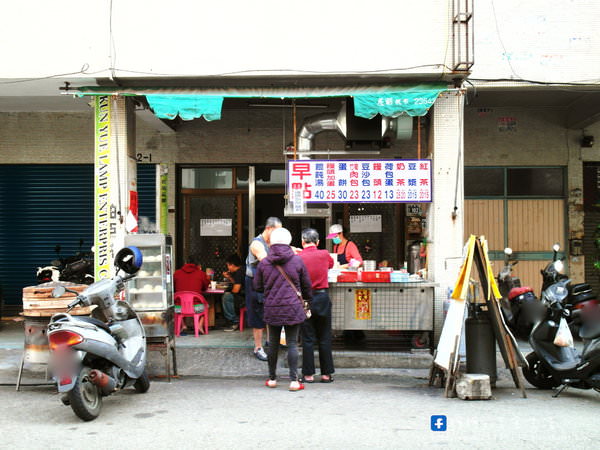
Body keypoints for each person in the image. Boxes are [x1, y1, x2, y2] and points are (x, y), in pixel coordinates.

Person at [254, 227, 312, 391]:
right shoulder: (297, 260)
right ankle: (294, 381)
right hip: (293, 306)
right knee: (292, 343)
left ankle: (272, 379)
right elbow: (307, 286)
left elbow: (257, 286)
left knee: (273, 343)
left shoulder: (264, 262)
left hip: (272, 307)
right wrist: (308, 299)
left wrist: (269, 290)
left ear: (271, 242)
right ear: (289, 242)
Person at [298, 228, 335, 383]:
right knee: (324, 336)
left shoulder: (298, 257)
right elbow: (331, 265)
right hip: (322, 297)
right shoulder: (325, 254)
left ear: (302, 241)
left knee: (307, 338)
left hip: (306, 300)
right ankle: (326, 374)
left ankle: (308, 375)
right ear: (318, 242)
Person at [245, 216, 282, 361]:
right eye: (277, 231)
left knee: (269, 311)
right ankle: (258, 347)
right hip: (254, 283)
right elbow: (266, 261)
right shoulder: (257, 244)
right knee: (257, 314)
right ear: (269, 228)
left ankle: (270, 341)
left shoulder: (272, 242)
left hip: (267, 282)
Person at [173, 255, 210, 334]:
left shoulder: (176, 273)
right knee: (206, 306)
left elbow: (173, 287)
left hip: (178, 308)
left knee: (179, 304)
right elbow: (205, 287)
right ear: (198, 265)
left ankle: (183, 325)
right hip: (196, 308)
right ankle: (199, 325)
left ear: (185, 263)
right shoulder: (201, 273)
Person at [221, 254, 244, 332]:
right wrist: (230, 277)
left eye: (228, 265)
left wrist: (229, 291)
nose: (228, 268)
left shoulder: (239, 272)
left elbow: (236, 290)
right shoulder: (241, 270)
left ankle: (234, 322)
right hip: (247, 295)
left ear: (232, 265)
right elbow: (237, 282)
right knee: (226, 294)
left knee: (227, 296)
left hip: (245, 298)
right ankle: (229, 320)